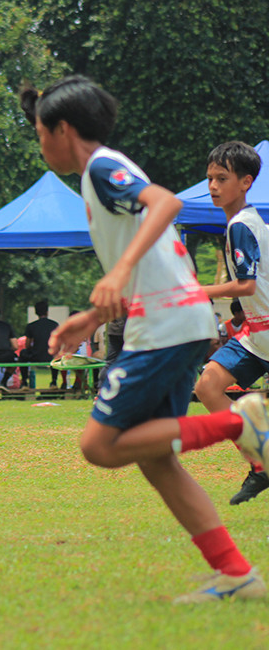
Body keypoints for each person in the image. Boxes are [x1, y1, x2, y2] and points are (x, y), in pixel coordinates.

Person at [21, 75, 267, 603]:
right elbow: (155, 263)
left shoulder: (103, 168)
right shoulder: (102, 173)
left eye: (40, 133)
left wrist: (117, 273)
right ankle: (236, 574)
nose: (40, 145)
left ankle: (238, 420)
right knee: (158, 460)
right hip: (170, 322)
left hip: (164, 330)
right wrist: (92, 315)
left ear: (63, 130)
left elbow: (165, 205)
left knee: (100, 445)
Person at [191, 142, 269, 506]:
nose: (212, 186)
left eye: (222, 178)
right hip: (257, 333)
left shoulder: (241, 225)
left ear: (246, 182)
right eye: (209, 178)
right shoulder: (243, 223)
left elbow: (246, 285)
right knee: (208, 386)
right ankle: (261, 463)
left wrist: (197, 290)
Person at [18, 300, 58, 388]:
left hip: (35, 356)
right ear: (47, 312)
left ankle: (24, 381)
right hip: (51, 356)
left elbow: (27, 345)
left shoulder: (31, 326)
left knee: (23, 353)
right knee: (57, 354)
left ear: (36, 312)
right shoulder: (54, 325)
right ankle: (54, 381)